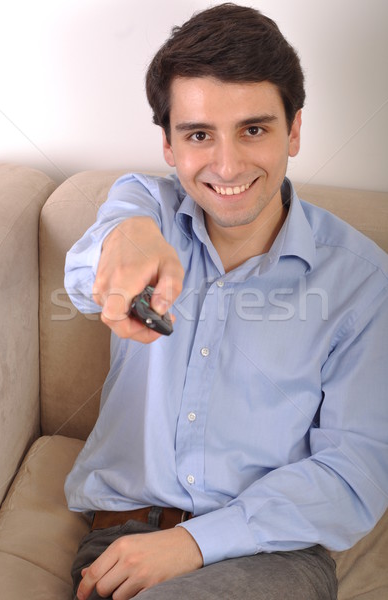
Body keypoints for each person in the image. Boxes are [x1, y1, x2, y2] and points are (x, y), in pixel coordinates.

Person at [64, 3, 388, 599]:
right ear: (167, 144)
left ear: (293, 130)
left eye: (255, 129)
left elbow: (357, 472)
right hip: (120, 542)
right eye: (198, 135)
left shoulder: (364, 282)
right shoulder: (145, 207)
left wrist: (192, 544)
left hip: (271, 552)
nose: (228, 164)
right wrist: (123, 237)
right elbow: (85, 276)